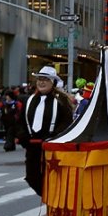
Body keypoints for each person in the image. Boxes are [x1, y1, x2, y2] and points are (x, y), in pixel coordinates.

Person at [17, 66, 74, 196]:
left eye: (45, 80)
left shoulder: (61, 101)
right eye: (39, 79)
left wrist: (53, 138)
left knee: (54, 179)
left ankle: (53, 203)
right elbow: (21, 121)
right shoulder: (30, 100)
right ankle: (47, 198)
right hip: (32, 147)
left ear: (52, 82)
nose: (41, 82)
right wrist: (23, 137)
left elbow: (66, 122)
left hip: (51, 147)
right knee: (32, 177)